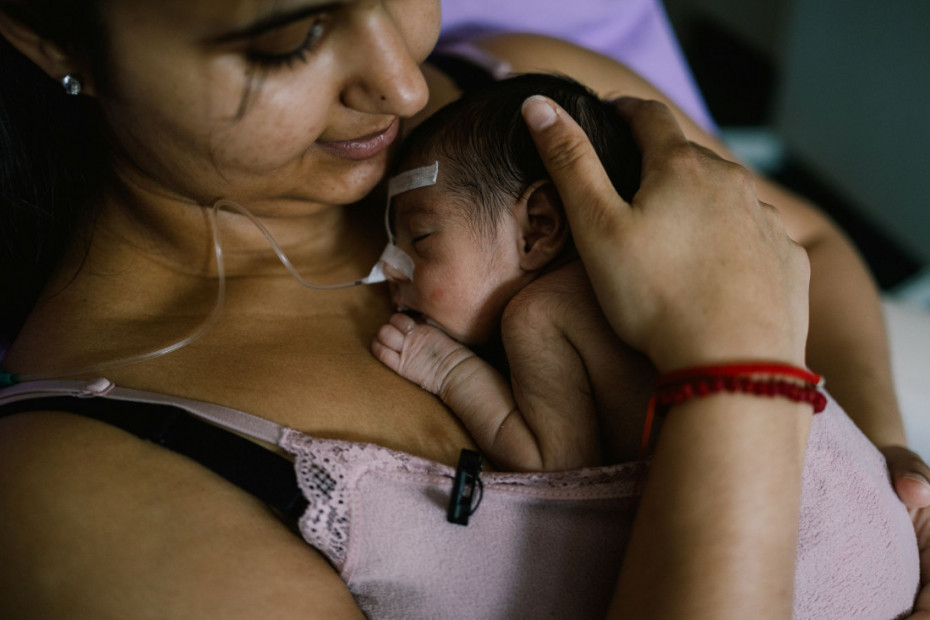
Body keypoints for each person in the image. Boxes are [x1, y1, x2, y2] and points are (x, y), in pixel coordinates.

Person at [0, 1, 926, 617]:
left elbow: (811, 244)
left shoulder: (533, 109)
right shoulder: (78, 490)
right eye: (290, 37)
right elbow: (759, 296)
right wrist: (739, 375)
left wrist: (887, 494)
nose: (403, 83)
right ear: (51, 34)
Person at [373, 72, 653, 471]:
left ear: (537, 228)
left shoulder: (540, 311)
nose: (389, 266)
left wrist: (448, 370)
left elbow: (552, 462)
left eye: (420, 237)